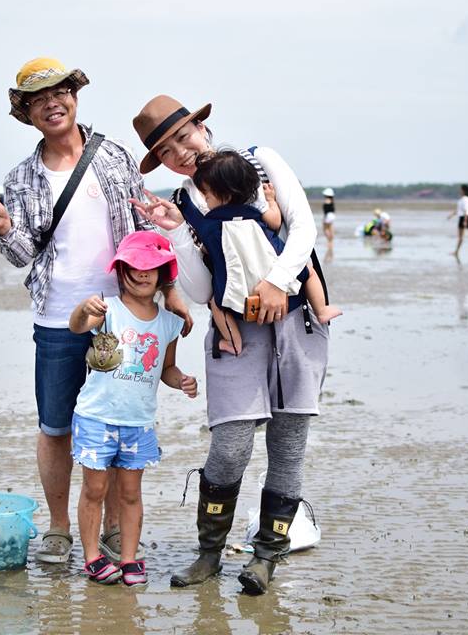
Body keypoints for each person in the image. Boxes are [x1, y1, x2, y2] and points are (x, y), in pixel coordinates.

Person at [0, 59, 191, 565]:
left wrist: (171, 287)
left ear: (75, 96)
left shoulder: (112, 156)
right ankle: (59, 526)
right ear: (26, 112)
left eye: (60, 91)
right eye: (38, 98)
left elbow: (146, 232)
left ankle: (112, 527)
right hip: (56, 318)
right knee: (56, 427)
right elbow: (24, 253)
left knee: (115, 422)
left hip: (124, 317)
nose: (52, 103)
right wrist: (3, 226)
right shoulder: (20, 177)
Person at [130, 94, 329, 595]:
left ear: (203, 128)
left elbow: (302, 227)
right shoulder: (179, 204)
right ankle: (208, 554)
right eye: (167, 150)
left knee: (288, 447)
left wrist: (277, 284)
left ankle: (266, 557)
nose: (182, 151)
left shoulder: (261, 161)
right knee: (229, 447)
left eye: (184, 136)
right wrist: (175, 236)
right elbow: (198, 290)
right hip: (234, 332)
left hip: (295, 320)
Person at [69, 231, 197, 586]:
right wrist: (83, 309)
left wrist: (183, 379)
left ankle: (128, 559)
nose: (143, 275)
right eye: (134, 268)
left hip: (139, 423)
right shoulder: (107, 309)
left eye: (151, 269)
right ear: (120, 271)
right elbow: (77, 326)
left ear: (162, 274)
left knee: (130, 494)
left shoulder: (169, 323)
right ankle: (92, 558)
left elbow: (166, 369)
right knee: (94, 490)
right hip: (96, 417)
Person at [183, 150, 340, 355]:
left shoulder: (212, 225)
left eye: (207, 195)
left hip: (237, 286)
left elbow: (202, 238)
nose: (205, 201)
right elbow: (275, 223)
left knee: (216, 303)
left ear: (225, 194)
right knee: (308, 271)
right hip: (272, 270)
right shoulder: (254, 212)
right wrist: (272, 201)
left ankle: (233, 341)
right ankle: (322, 310)